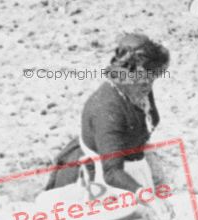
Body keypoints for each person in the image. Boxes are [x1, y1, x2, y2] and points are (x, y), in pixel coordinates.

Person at [45, 33, 169, 197]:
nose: (148, 84)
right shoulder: (107, 108)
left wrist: (155, 178)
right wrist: (145, 195)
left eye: (152, 78)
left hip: (129, 168)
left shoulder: (139, 88)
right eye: (143, 79)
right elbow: (111, 172)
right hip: (96, 181)